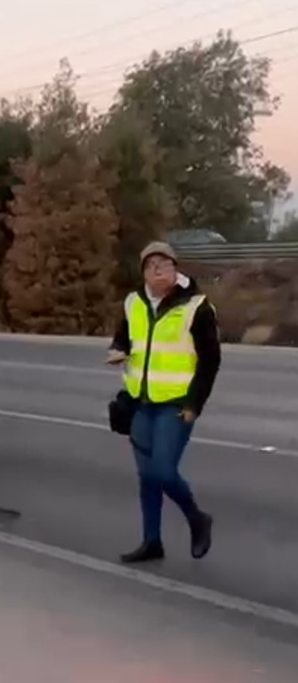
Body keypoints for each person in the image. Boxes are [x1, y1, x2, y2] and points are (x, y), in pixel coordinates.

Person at [107, 241, 220, 564]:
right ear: (143, 271)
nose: (157, 270)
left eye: (164, 263)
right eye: (150, 265)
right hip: (142, 402)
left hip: (176, 404)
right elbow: (123, 337)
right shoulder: (134, 303)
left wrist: (194, 405)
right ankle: (151, 542)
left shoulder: (196, 307)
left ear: (175, 268)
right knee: (147, 476)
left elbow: (210, 362)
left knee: (163, 471)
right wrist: (117, 351)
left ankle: (197, 518)